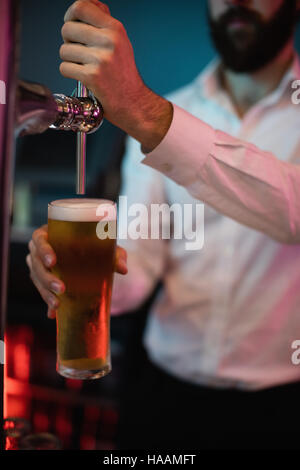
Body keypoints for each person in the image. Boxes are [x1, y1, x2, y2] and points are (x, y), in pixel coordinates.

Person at [27, 0, 300, 449]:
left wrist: (144, 113)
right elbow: (139, 266)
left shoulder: (157, 118)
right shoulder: (177, 108)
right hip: (163, 397)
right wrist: (79, 267)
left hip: (278, 409)